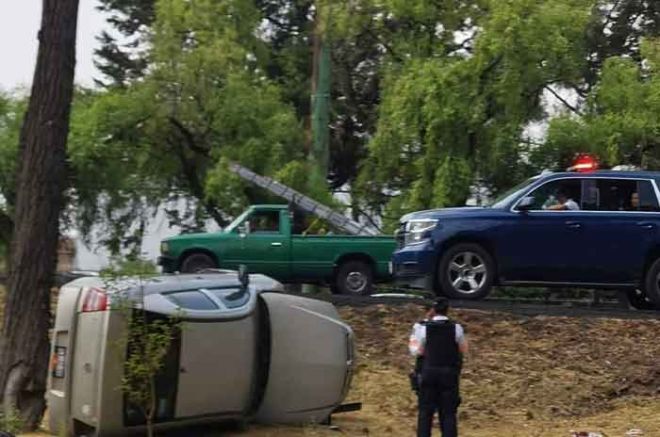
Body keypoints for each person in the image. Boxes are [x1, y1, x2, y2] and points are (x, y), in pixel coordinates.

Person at [409, 298, 468, 437]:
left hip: (428, 373)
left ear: (432, 311)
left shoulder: (423, 327)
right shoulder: (456, 328)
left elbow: (415, 351)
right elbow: (463, 349)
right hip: (449, 374)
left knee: (425, 413)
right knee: (448, 413)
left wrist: (417, 328)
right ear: (447, 310)